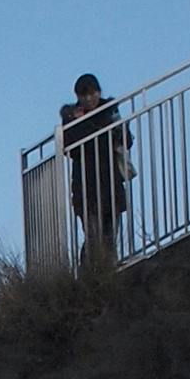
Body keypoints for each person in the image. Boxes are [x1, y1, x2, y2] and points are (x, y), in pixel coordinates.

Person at [58, 72, 130, 274]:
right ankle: (90, 274)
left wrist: (114, 127)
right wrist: (83, 124)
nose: (89, 98)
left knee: (109, 232)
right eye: (84, 95)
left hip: (110, 181)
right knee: (93, 235)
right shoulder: (71, 116)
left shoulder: (110, 109)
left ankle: (106, 272)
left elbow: (126, 140)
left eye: (92, 93)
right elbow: (70, 148)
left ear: (99, 92)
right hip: (85, 185)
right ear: (78, 97)